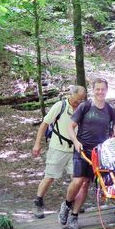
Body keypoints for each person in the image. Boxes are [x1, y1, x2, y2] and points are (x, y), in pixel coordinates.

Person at [58, 78, 115, 229]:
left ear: (107, 90)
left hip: (99, 153)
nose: (100, 92)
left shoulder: (110, 110)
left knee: (86, 184)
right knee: (77, 181)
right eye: (97, 89)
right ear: (93, 90)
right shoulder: (85, 106)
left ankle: (74, 216)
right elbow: (70, 127)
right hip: (82, 150)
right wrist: (76, 142)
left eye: (103, 89)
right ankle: (67, 204)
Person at [31, 85, 87, 218]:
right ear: (71, 95)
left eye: (81, 100)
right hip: (57, 148)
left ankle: (71, 203)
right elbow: (44, 124)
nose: (78, 102)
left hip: (74, 150)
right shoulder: (60, 106)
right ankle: (38, 202)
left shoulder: (82, 109)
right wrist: (37, 143)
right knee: (50, 177)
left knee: (77, 179)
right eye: (77, 99)